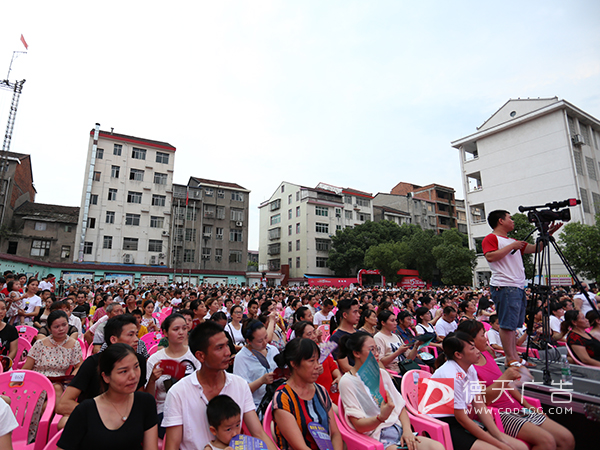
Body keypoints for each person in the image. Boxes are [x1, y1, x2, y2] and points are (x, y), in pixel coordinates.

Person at [458, 319, 575, 450]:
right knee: (547, 442)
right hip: (498, 414)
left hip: (516, 407)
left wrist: (527, 405)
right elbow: (483, 400)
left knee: (566, 439)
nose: (486, 338)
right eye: (482, 335)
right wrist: (505, 378)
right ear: (470, 341)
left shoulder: (486, 354)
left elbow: (507, 385)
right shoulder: (467, 367)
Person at [162, 321, 277, 450]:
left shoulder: (239, 385)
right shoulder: (178, 393)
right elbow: (172, 446)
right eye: (219, 348)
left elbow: (258, 433)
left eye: (227, 345)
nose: (228, 352)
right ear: (201, 356)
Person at [338, 332, 443, 450]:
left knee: (437, 447)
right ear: (356, 353)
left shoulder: (382, 374)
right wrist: (381, 418)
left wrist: (407, 431)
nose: (377, 354)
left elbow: (400, 407)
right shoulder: (347, 382)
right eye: (371, 350)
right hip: (378, 437)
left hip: (399, 429)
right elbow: (358, 425)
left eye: (377, 349)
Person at [482, 210, 561, 368]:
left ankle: (514, 357)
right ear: (500, 221)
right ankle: (511, 358)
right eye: (510, 218)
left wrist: (545, 235)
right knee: (507, 325)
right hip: (504, 285)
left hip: (517, 286)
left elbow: (536, 249)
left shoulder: (512, 240)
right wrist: (513, 245)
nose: (513, 221)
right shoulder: (492, 238)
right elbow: (490, 256)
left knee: (513, 325)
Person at [431, 332, 527, 450]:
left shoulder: (469, 368)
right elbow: (462, 419)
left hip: (460, 419)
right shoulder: (451, 375)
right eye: (472, 348)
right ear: (458, 354)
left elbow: (479, 403)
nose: (478, 351)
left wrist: (499, 436)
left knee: (521, 447)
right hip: (442, 423)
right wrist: (499, 443)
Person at [57, 343, 158, 450]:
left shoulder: (145, 402)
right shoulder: (85, 410)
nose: (133, 376)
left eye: (136, 367)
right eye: (123, 371)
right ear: (106, 377)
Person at [56, 314, 149, 429]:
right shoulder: (92, 363)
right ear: (113, 339)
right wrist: (102, 414)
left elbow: (138, 397)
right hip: (94, 417)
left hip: (124, 416)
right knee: (65, 422)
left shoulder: (139, 361)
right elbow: (63, 404)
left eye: (136, 334)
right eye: (130, 335)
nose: (136, 340)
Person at [271, 338, 343, 450]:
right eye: (311, 361)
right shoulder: (283, 397)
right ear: (294, 364)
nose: (318, 366)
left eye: (318, 360)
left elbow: (335, 433)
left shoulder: (320, 391)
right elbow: (300, 447)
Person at [146, 314, 200, 438]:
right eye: (176, 329)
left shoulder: (195, 355)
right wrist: (152, 380)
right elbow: (149, 397)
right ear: (165, 332)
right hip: (165, 410)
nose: (181, 332)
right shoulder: (155, 359)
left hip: (193, 407)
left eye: (184, 328)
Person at [22, 310, 83, 397]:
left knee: (57, 388)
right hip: (38, 381)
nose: (61, 329)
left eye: (64, 325)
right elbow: (27, 367)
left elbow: (79, 366)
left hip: (60, 382)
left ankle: (50, 409)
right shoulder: (40, 344)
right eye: (56, 326)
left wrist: (71, 378)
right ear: (49, 329)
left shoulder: (74, 344)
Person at [293, 321, 342, 404]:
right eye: (309, 334)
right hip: (317, 398)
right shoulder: (299, 358)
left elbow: (332, 366)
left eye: (314, 332)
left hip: (333, 393)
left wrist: (338, 376)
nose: (313, 336)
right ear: (299, 338)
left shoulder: (321, 349)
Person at [233, 319, 279, 408]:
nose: (265, 342)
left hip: (277, 401)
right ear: (249, 341)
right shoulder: (241, 358)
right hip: (257, 406)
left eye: (266, 337)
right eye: (260, 341)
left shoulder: (273, 350)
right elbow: (241, 391)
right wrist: (261, 381)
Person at [330, 298, 360, 373]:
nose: (358, 315)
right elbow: (345, 367)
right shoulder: (336, 337)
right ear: (345, 315)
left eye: (358, 312)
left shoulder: (359, 333)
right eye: (355, 312)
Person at [0, 299, 18, 371]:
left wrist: (3, 364)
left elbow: (13, 351)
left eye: (3, 309)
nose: (1, 311)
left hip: (3, 365)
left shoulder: (11, 330)